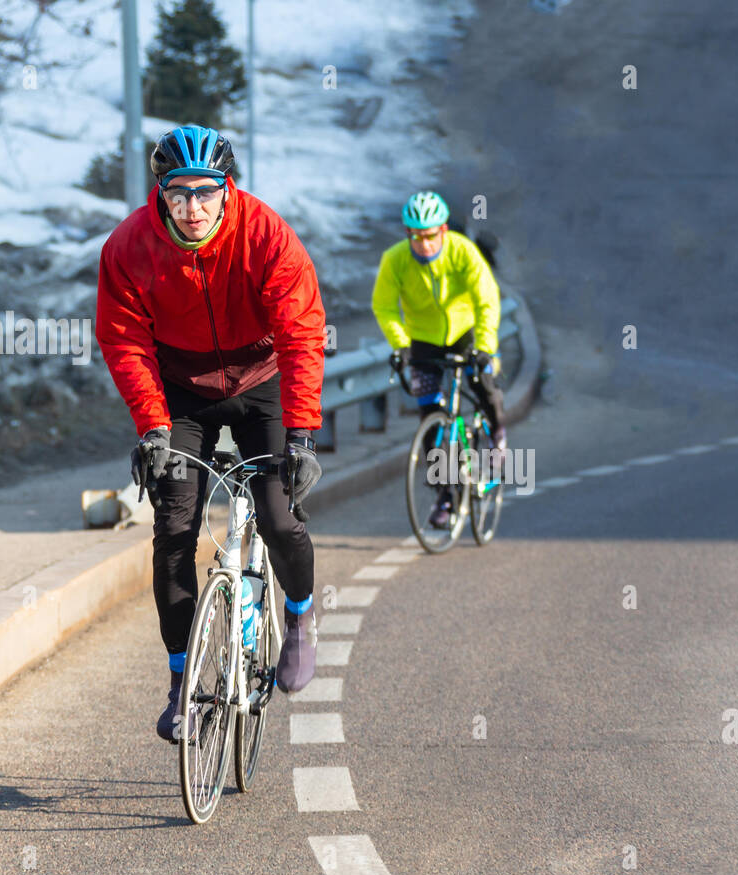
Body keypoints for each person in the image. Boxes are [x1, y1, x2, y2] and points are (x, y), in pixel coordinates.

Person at [96, 124, 325, 742]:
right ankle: (180, 683)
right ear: (161, 194)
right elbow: (124, 341)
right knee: (173, 530)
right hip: (181, 392)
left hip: (261, 381)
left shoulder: (265, 233)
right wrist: (153, 428)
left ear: (227, 189)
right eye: (178, 194)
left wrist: (301, 435)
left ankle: (299, 618)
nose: (192, 208)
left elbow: (302, 332)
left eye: (204, 192)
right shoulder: (129, 247)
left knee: (279, 517)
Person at [372, 190, 506, 529]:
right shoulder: (395, 260)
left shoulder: (463, 251)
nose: (424, 244)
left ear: (443, 230)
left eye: (430, 235)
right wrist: (401, 345)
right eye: (415, 236)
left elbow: (487, 298)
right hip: (423, 342)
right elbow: (384, 306)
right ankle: (445, 495)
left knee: (484, 383)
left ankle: (497, 434)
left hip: (466, 335)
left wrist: (486, 346)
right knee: (431, 418)